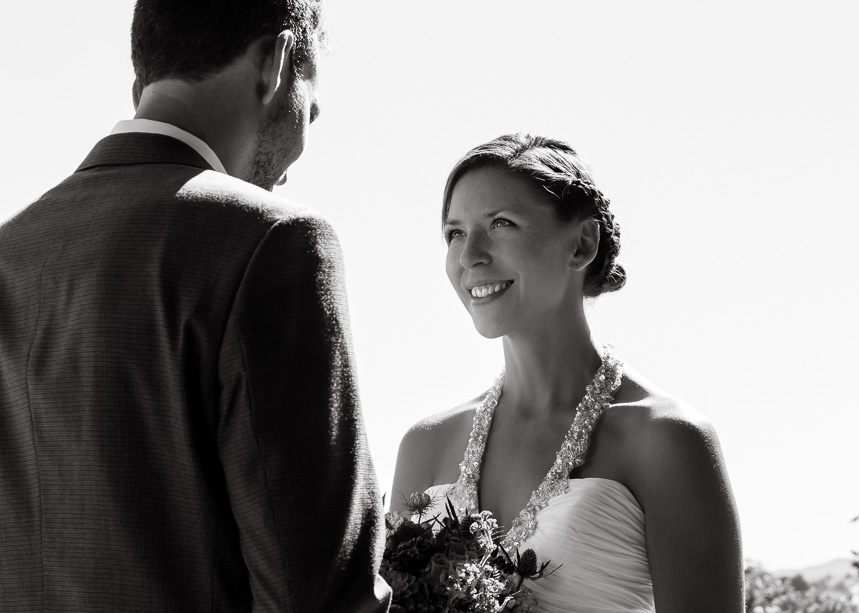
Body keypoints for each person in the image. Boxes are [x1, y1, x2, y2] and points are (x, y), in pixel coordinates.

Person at [0, 1, 390, 611]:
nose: (306, 135)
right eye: (311, 106)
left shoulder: (10, 253)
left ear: (142, 83)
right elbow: (315, 593)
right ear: (277, 63)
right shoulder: (272, 242)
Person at [390, 133, 743, 612]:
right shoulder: (425, 446)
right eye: (454, 232)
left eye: (500, 224)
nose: (470, 254)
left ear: (581, 244)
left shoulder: (666, 440)